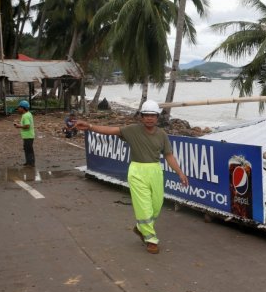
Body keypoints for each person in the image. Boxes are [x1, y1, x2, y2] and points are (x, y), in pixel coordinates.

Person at [74, 100, 189, 254]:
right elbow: (111, 130)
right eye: (146, 115)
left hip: (155, 171)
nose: (149, 118)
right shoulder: (132, 130)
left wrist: (180, 173)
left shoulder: (162, 135)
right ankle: (150, 239)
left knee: (156, 205)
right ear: (141, 117)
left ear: (157, 117)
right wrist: (89, 126)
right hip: (137, 171)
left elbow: (168, 155)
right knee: (144, 207)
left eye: (152, 115)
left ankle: (141, 227)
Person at [13, 100, 35, 167]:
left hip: (28, 136)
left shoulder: (25, 116)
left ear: (23, 108)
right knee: (28, 149)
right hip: (28, 136)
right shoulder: (28, 114)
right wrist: (19, 124)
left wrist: (19, 126)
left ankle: (30, 164)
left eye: (19, 108)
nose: (18, 109)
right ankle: (29, 162)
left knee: (28, 150)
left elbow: (27, 126)